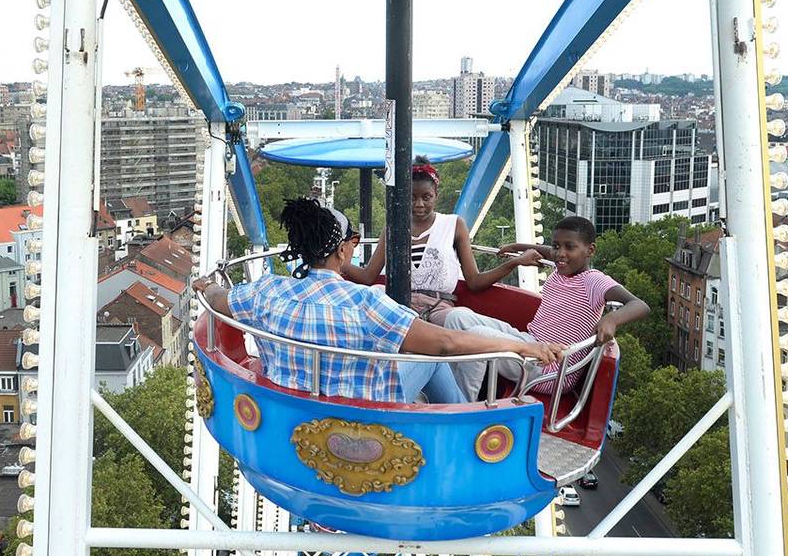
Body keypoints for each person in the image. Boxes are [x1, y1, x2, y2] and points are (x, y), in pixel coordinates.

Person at [193, 197, 566, 405]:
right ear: (342, 251)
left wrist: (205, 285)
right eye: (353, 242)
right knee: (430, 359)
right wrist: (519, 345)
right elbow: (447, 343)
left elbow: (217, 297)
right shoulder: (366, 303)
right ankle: (462, 417)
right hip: (363, 412)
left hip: (291, 408)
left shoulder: (265, 292)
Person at [443, 216, 650, 401]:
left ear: (590, 250)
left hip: (550, 367)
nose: (560, 254)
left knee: (478, 335)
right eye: (556, 246)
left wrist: (611, 319)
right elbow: (549, 254)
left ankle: (461, 405)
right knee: (456, 317)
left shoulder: (593, 281)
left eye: (569, 247)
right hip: (530, 342)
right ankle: (450, 391)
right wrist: (519, 246)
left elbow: (640, 305)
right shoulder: (562, 269)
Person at [344, 157, 523, 325]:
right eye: (412, 197)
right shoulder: (393, 228)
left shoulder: (454, 225)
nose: (419, 204)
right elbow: (369, 276)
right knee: (374, 293)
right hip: (400, 306)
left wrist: (514, 263)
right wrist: (338, 261)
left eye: (426, 197)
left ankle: (519, 342)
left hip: (439, 307)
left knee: (462, 320)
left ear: (436, 194)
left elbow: (474, 280)